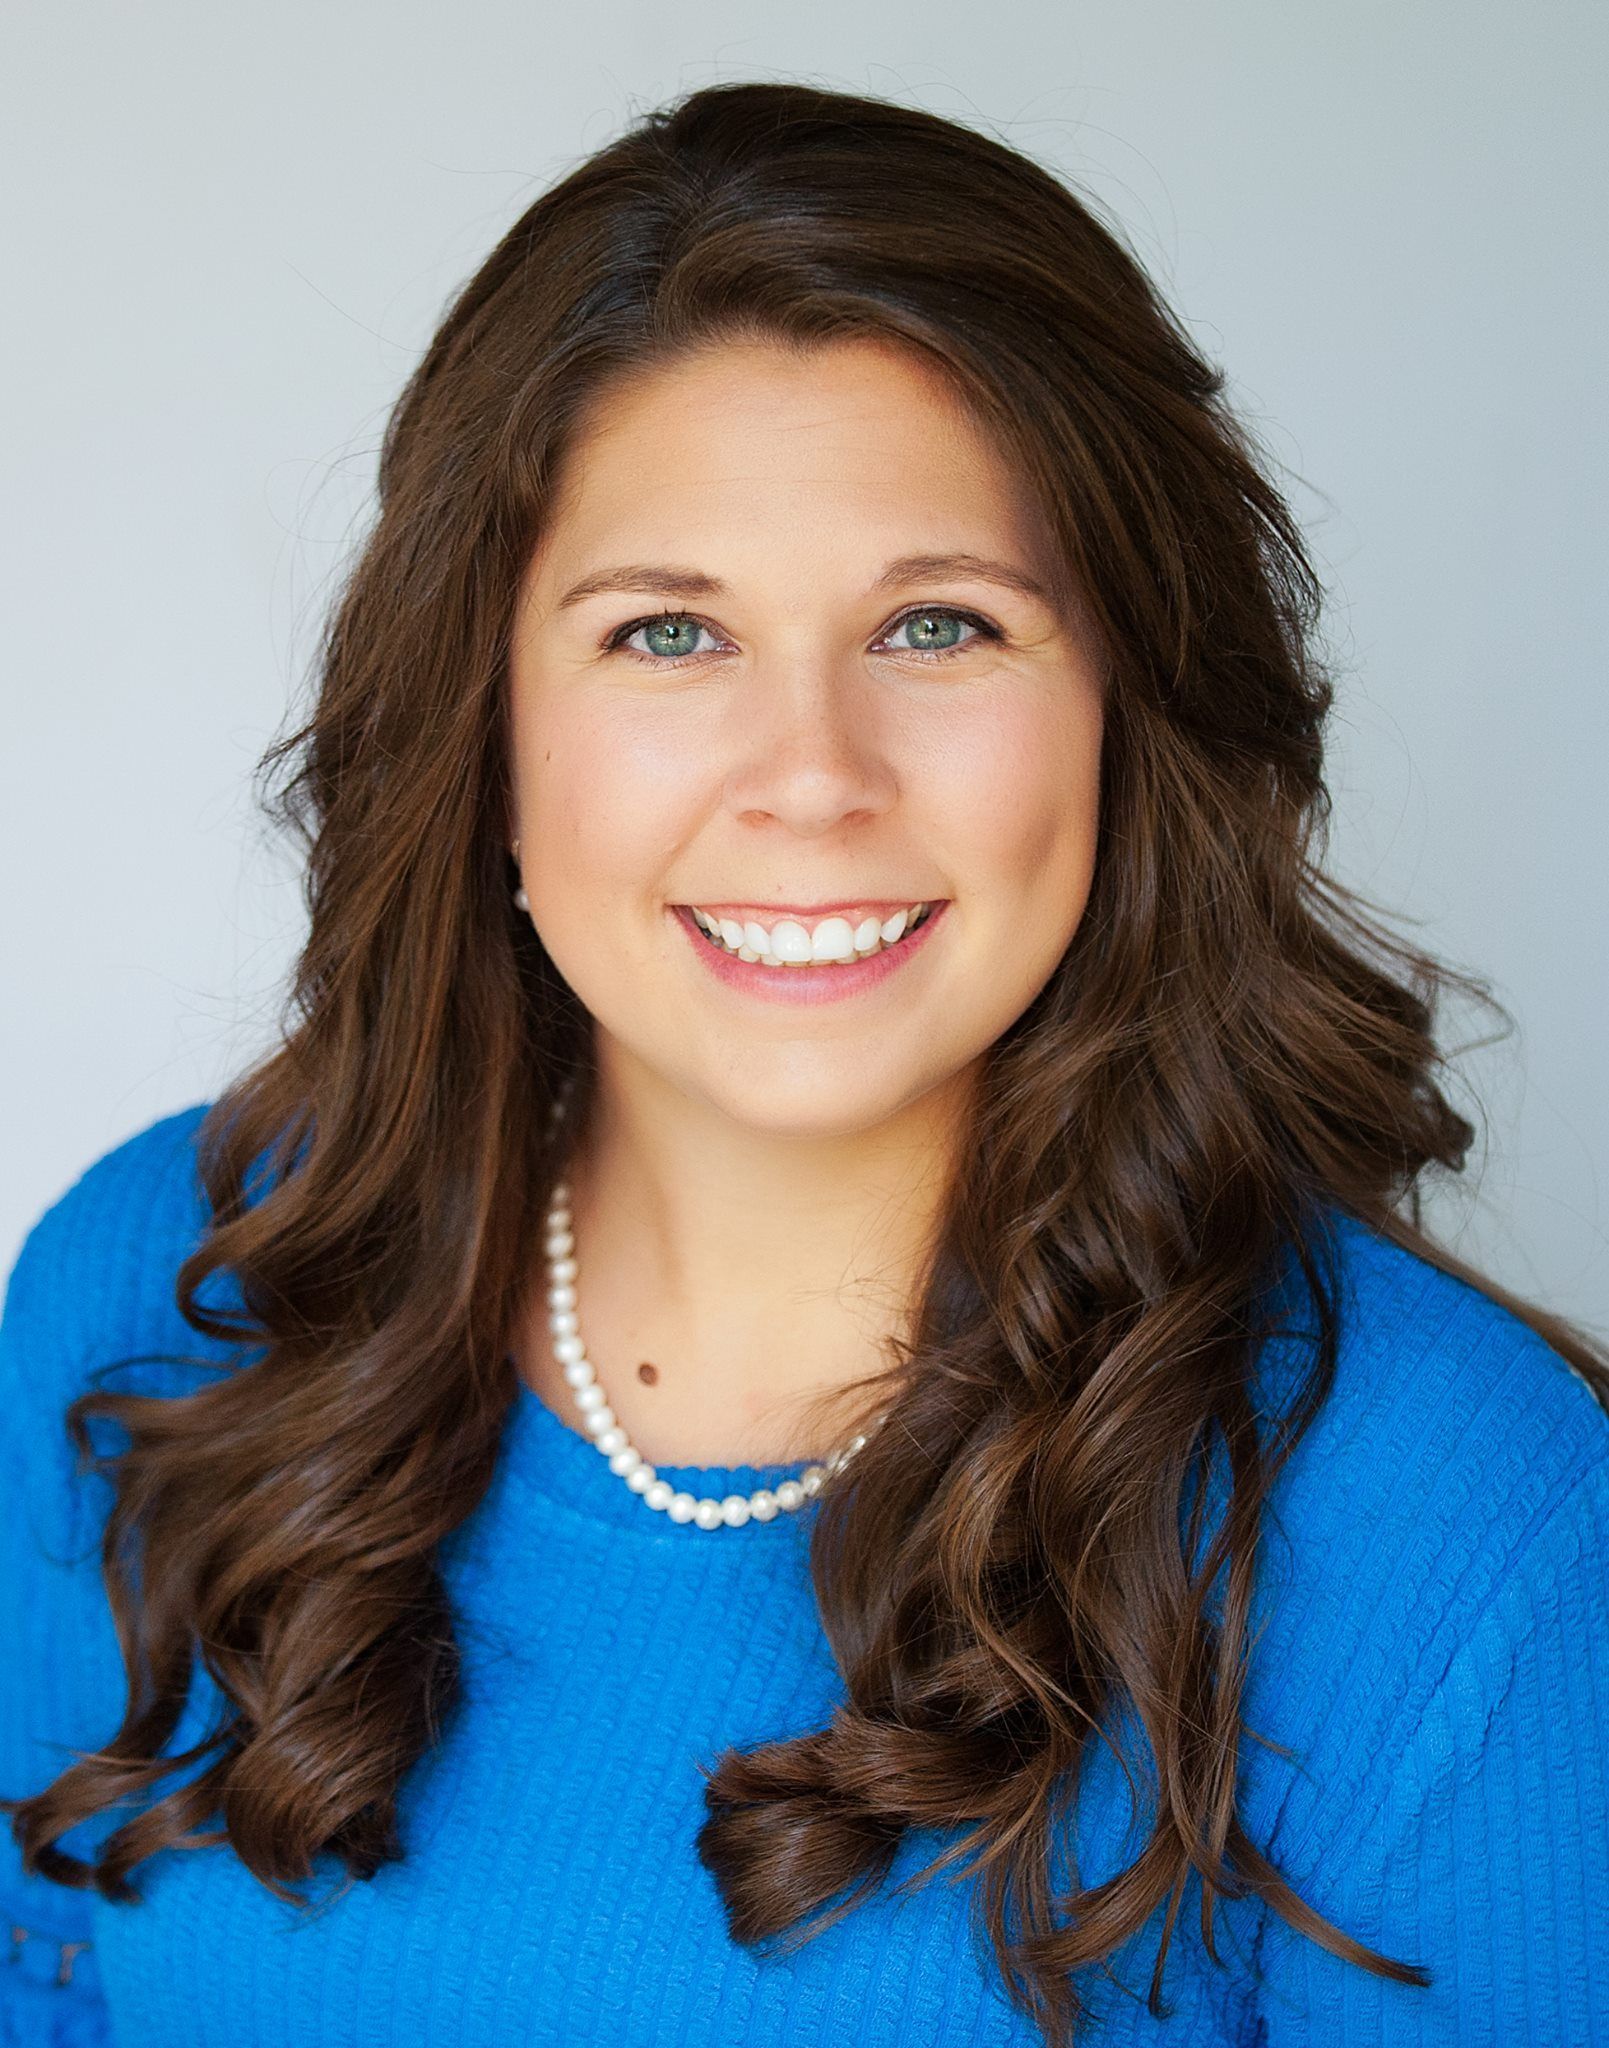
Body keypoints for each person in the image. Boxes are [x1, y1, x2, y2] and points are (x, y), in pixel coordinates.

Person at [3, 78, 1605, 2048]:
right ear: (487, 731)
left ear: (1127, 708)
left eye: (939, 624)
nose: (814, 781)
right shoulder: (157, 1292)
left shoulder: (1464, 1513)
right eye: (668, 637)